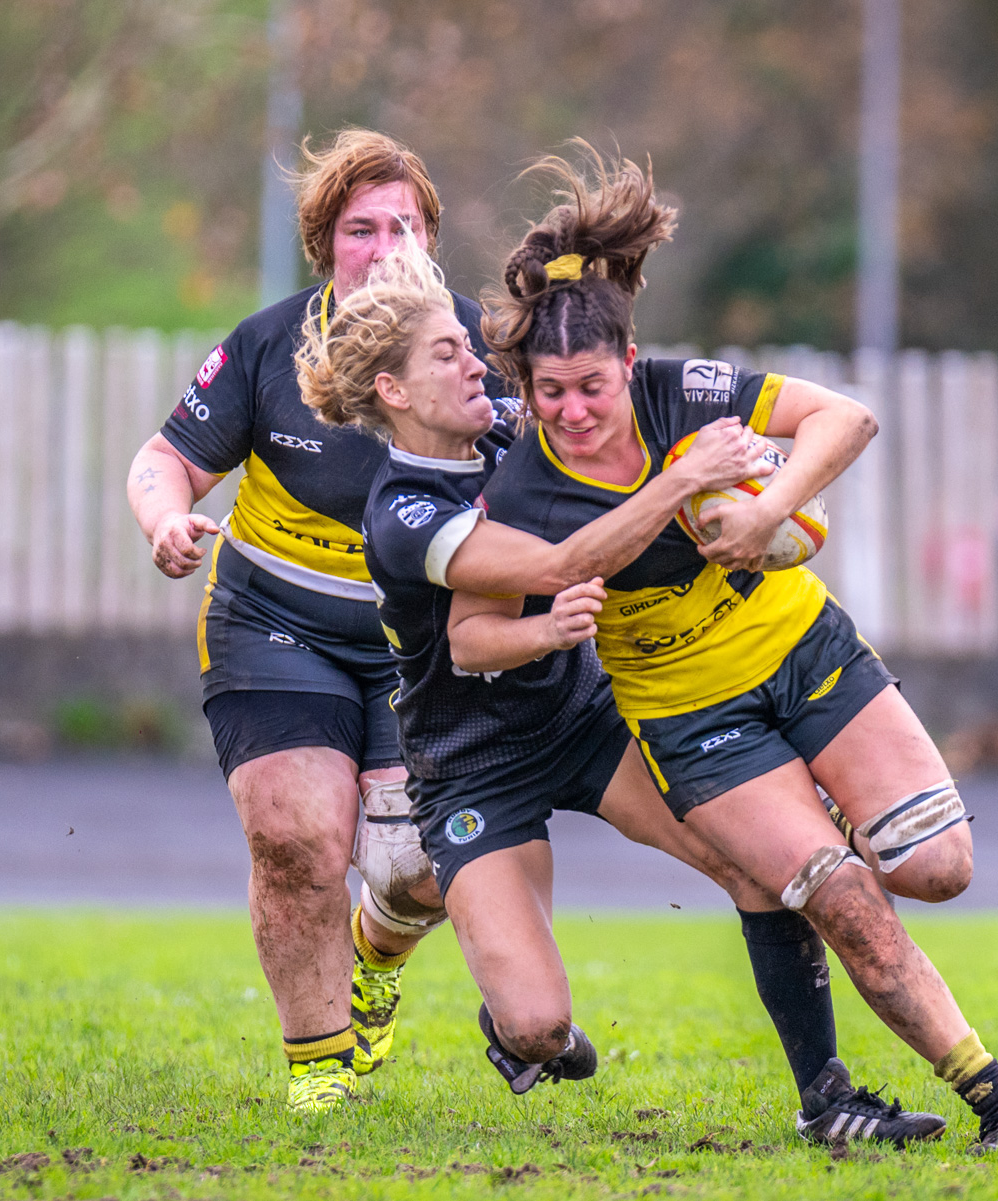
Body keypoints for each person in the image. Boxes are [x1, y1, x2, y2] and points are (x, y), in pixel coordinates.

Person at [295, 241, 945, 1145]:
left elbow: (606, 399)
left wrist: (752, 489)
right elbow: (558, 569)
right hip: (471, 763)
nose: (475, 361)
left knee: (762, 867)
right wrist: (682, 480)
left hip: (584, 717)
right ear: (397, 394)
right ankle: (488, 1005)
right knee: (539, 1028)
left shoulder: (512, 428)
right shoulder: (403, 513)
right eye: (447, 354)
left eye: (468, 343)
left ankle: (826, 1098)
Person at [463, 147, 998, 1152]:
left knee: (936, 866)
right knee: (843, 898)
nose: (573, 410)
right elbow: (471, 632)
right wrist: (552, 621)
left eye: (591, 385)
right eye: (550, 390)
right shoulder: (519, 491)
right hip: (692, 720)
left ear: (627, 362)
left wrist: (766, 508)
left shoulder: (681, 393)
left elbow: (845, 417)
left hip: (806, 650)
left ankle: (815, 840)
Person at [125, 129, 484, 1114]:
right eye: (360, 228)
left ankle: (376, 952)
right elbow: (166, 459)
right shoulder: (267, 343)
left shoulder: (479, 352)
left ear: (431, 240)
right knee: (297, 839)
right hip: (272, 622)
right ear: (327, 244)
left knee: (428, 869)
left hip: (422, 649)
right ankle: (319, 1072)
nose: (383, 243)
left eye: (403, 224)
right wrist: (165, 518)